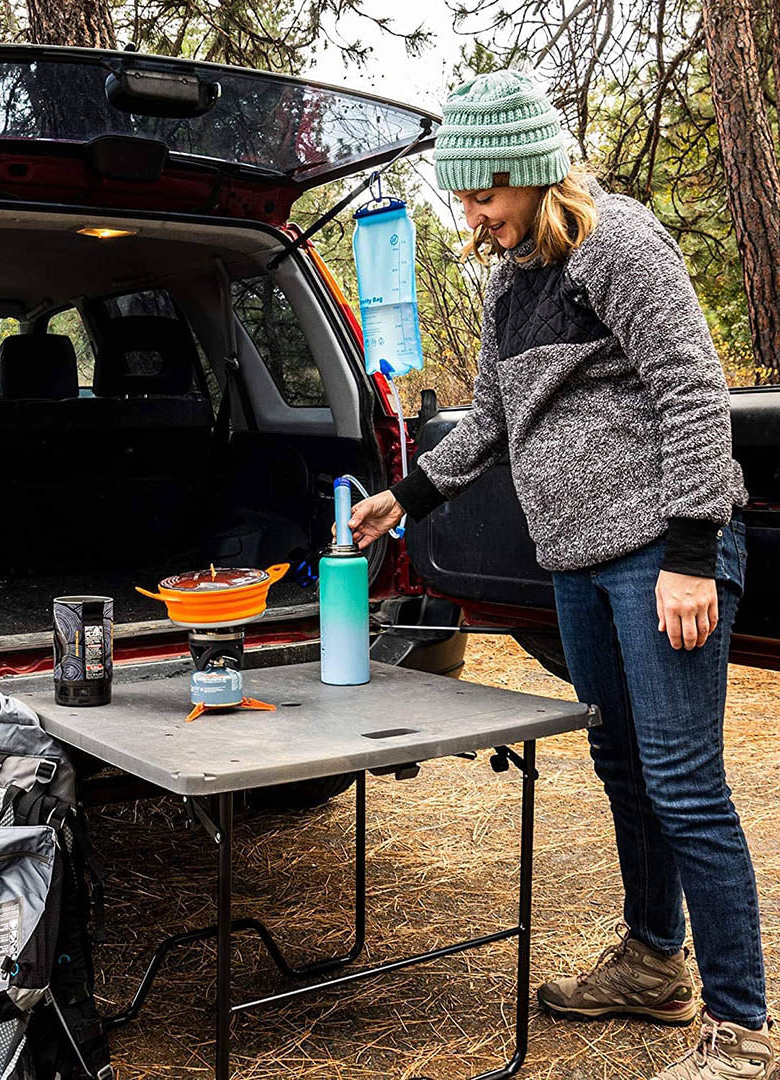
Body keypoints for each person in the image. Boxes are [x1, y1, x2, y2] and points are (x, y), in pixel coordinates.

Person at [347, 70, 774, 1079]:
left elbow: (692, 391)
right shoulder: (509, 284)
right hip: (580, 562)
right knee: (623, 766)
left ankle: (744, 1029)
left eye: (484, 193)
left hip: (660, 554)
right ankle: (656, 963)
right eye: (463, 197)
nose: (473, 216)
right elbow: (493, 420)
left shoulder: (618, 244)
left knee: (684, 782)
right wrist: (406, 498)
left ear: (532, 172)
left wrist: (691, 554)